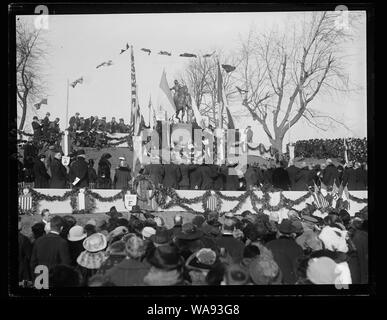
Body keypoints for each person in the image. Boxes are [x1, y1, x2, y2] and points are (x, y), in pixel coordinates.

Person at [265, 219, 303, 284]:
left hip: (271, 279)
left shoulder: (269, 244)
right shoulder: (297, 247)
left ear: (279, 232)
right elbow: (299, 267)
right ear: (291, 233)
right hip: (290, 280)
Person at [18, 217, 32, 284]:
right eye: (20, 221)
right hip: (20, 273)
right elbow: (29, 256)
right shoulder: (23, 239)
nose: (21, 224)